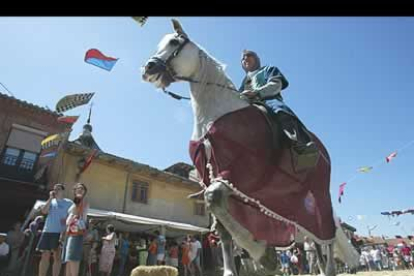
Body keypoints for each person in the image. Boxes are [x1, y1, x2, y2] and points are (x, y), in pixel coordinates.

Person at [239, 50, 318, 168]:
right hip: (248, 105)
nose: (245, 59)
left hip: (267, 100)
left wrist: (257, 92)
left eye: (248, 56)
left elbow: (276, 84)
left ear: (256, 58)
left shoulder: (268, 69)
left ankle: (301, 144)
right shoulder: (243, 82)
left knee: (279, 110)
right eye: (242, 59)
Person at [36, 183, 73, 276]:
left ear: (63, 191)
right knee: (45, 256)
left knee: (57, 257)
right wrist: (49, 199)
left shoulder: (69, 203)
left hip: (60, 233)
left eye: (58, 189)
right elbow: (44, 211)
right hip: (47, 231)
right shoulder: (51, 201)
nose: (56, 190)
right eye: (54, 189)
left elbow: (73, 217)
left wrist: (66, 229)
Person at [62, 183, 89, 276]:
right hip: (71, 231)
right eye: (78, 188)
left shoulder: (81, 201)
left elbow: (78, 214)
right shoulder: (74, 202)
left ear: (85, 191)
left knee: (73, 259)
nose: (80, 189)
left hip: (76, 231)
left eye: (82, 188)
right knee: (69, 259)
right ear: (74, 190)